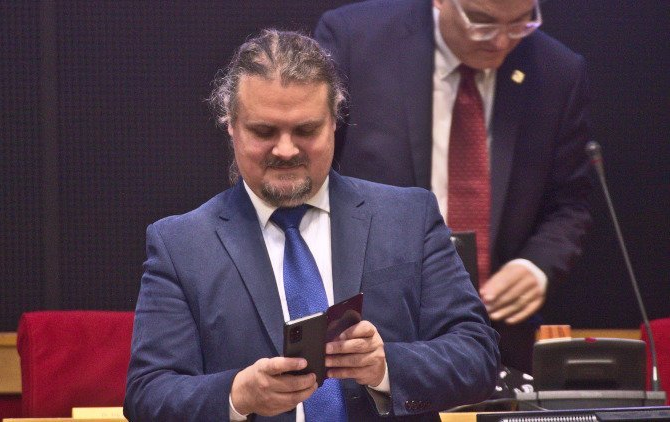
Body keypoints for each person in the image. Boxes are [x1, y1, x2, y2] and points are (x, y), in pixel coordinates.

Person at [123, 29, 499, 421]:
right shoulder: (181, 245)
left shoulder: (409, 217)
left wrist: (385, 367)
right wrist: (237, 395)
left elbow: (478, 359)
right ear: (231, 125)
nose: (286, 150)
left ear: (334, 122)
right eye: (264, 131)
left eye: (305, 130)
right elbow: (147, 396)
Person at [315, 0, 593, 373]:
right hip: (371, 332)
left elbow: (570, 204)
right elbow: (313, 176)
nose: (500, 41)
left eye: (520, 23)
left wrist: (536, 265)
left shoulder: (556, 71)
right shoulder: (356, 41)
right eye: (481, 21)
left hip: (497, 341)